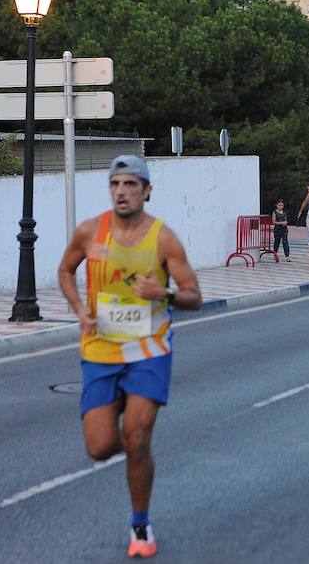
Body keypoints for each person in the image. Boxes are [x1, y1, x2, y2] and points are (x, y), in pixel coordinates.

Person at [57, 156, 203, 559]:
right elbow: (66, 271)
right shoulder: (89, 231)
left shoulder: (163, 238)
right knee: (101, 447)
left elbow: (195, 296)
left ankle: (141, 524)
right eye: (115, 184)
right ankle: (128, 435)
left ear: (147, 191)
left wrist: (164, 294)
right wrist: (80, 311)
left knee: (136, 438)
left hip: (149, 350)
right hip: (100, 350)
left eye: (131, 184)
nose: (121, 191)